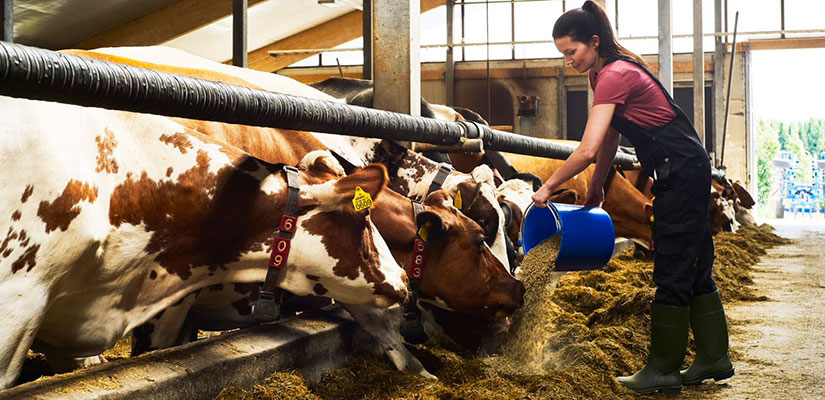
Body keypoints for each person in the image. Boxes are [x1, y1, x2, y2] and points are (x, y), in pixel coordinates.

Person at [531, 1, 734, 394]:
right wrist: (595, 191)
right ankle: (713, 357)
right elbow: (609, 139)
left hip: (679, 169)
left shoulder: (615, 75)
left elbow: (587, 149)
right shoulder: (603, 74)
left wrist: (547, 186)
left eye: (571, 52)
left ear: (593, 42)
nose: (567, 61)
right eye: (562, 55)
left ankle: (663, 368)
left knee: (674, 262)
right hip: (681, 167)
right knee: (695, 259)